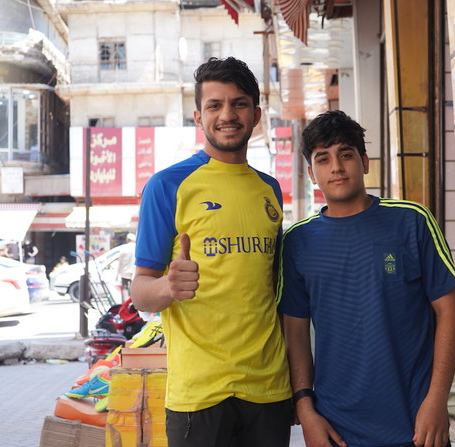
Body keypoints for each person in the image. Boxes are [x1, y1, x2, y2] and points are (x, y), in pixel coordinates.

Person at [277, 110, 455, 447]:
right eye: (324, 158)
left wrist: (437, 400)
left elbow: (450, 310)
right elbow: (295, 333)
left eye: (346, 154)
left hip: (417, 426)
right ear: (311, 172)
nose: (336, 166)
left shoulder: (411, 221)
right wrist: (305, 410)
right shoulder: (298, 242)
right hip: (337, 430)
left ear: (364, 162)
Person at [131, 57, 292, 447]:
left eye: (238, 104)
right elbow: (140, 292)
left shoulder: (270, 189)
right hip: (200, 395)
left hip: (269, 388)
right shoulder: (167, 186)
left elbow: (272, 289)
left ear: (256, 115)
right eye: (214, 105)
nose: (227, 115)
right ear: (198, 117)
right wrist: (168, 288)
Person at [117, 232, 136, 301]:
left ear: (127, 239)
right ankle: (133, 304)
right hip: (134, 272)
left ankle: (125, 305)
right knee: (133, 290)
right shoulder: (137, 247)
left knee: (125, 290)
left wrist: (117, 274)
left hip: (124, 272)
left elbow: (120, 262)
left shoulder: (123, 248)